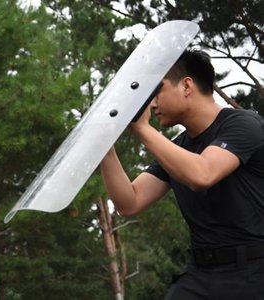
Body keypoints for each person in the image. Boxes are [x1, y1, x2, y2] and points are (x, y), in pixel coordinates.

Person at [100, 49, 264, 299]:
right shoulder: (177, 148)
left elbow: (203, 174)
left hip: (253, 273)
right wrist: (104, 147)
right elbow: (129, 203)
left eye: (157, 91)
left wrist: (141, 127)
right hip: (200, 275)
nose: (151, 103)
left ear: (186, 85)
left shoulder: (244, 124)